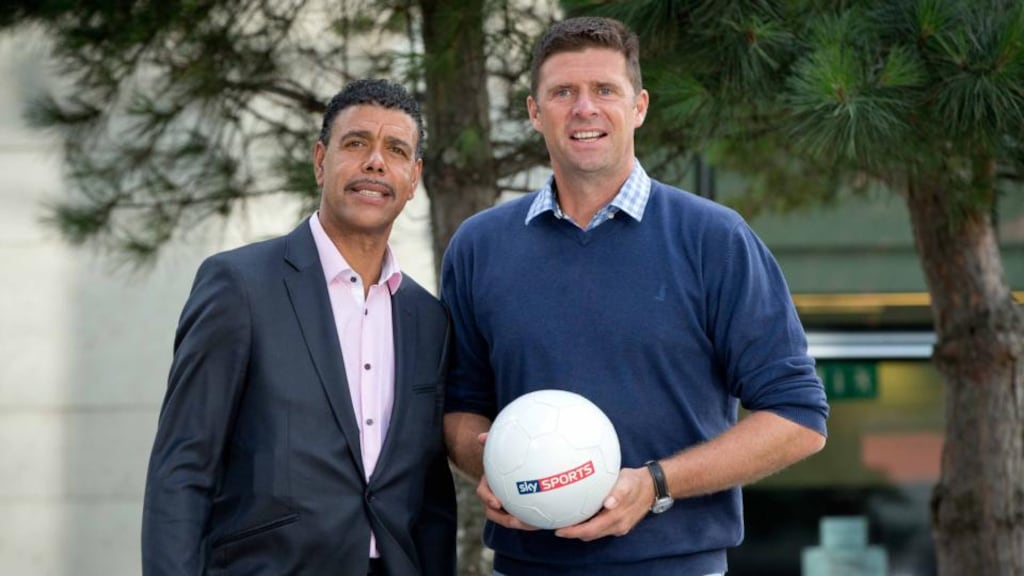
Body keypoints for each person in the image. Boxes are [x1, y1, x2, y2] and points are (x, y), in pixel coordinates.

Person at [441, 16, 829, 576]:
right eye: (563, 92)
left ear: (639, 106)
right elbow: (459, 406)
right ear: (534, 112)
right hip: (525, 566)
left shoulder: (714, 239)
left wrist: (656, 484)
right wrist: (496, 466)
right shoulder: (480, 246)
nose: (584, 109)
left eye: (605, 90)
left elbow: (798, 417)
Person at [141, 79, 456, 576]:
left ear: (413, 177)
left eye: (396, 150)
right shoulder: (240, 286)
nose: (375, 162)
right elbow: (183, 468)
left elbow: (430, 497)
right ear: (320, 160)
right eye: (356, 143)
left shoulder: (428, 319)